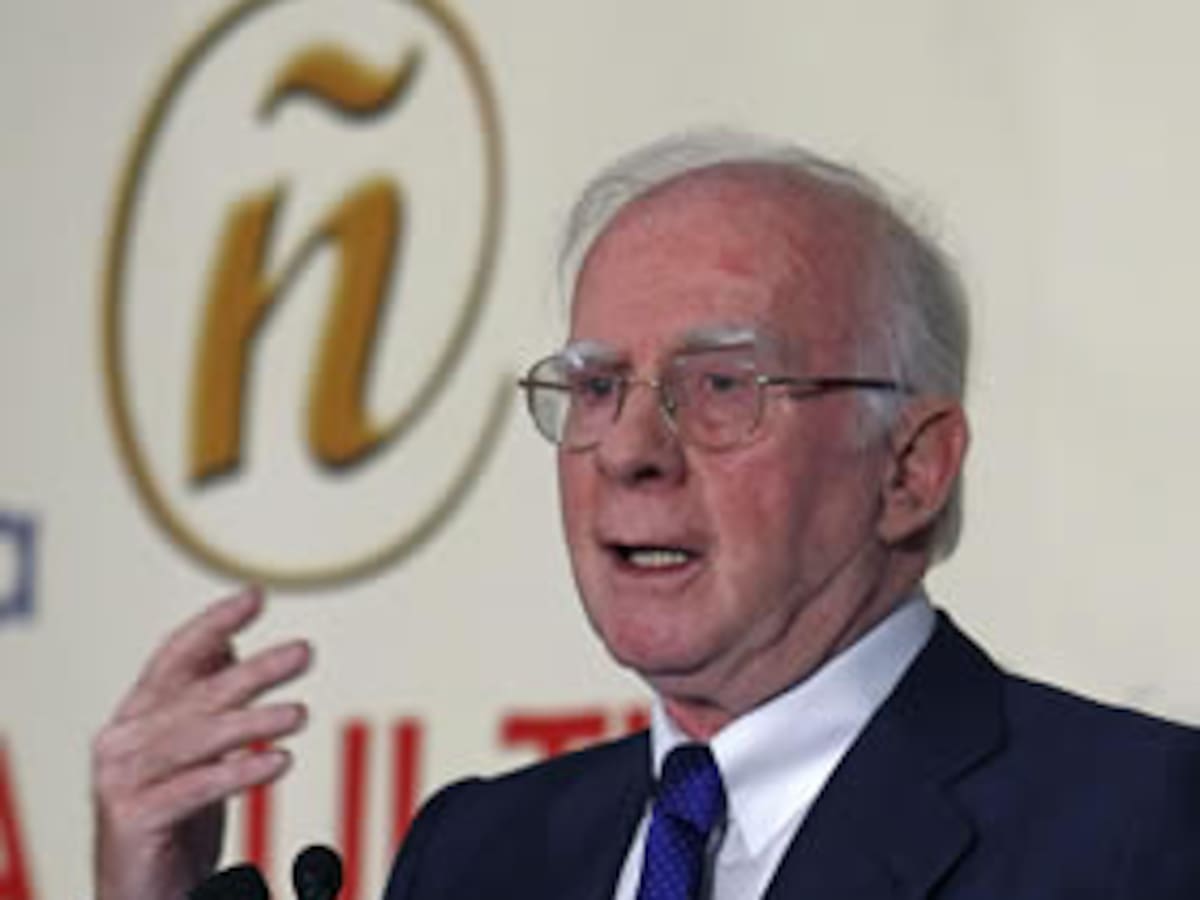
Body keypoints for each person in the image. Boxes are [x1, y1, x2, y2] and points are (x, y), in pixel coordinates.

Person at [93, 131, 1200, 900]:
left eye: (720, 386)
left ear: (911, 468)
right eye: (595, 387)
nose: (628, 450)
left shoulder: (1146, 830)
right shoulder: (478, 857)